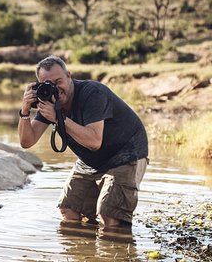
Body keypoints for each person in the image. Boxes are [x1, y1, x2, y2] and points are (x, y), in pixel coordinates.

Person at [18, 56, 149, 228]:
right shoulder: (49, 101)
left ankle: (113, 247)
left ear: (69, 76)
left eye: (59, 82)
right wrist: (25, 110)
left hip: (126, 153)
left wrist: (59, 118)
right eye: (48, 85)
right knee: (68, 210)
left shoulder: (92, 93)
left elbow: (94, 141)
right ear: (39, 85)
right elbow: (27, 141)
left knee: (110, 219)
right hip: (91, 160)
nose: (55, 89)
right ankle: (83, 251)